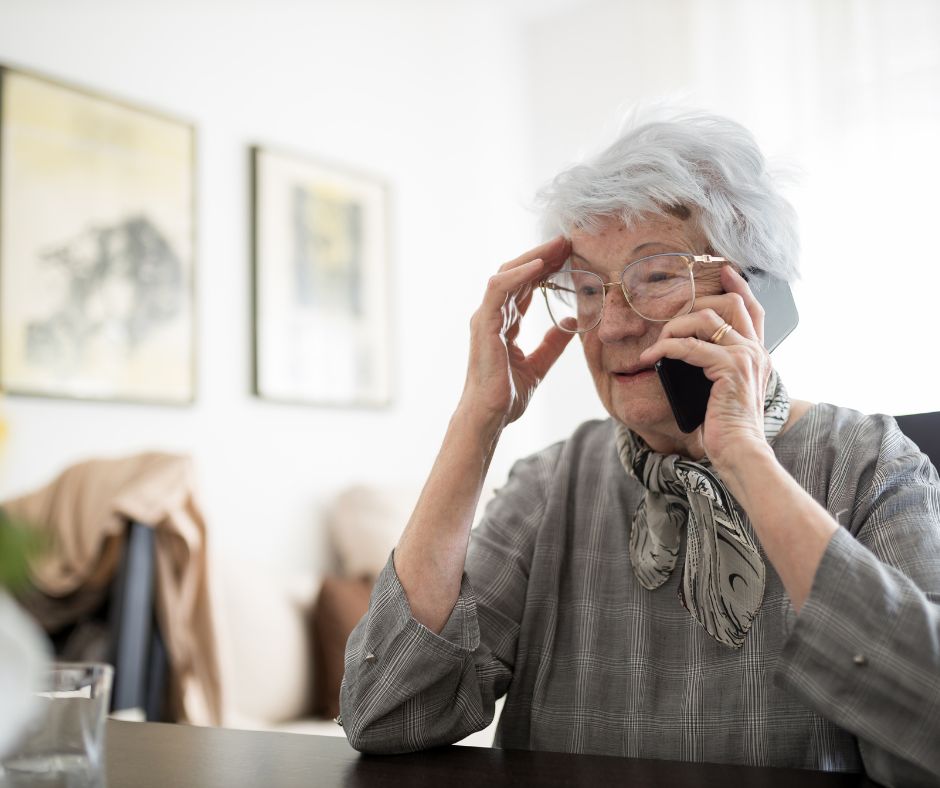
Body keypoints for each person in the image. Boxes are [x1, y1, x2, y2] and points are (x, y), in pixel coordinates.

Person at [338, 111, 940, 785]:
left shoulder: (868, 463)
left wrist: (742, 454)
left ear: (757, 292)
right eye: (591, 288)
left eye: (655, 277)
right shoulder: (552, 484)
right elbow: (386, 712)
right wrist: (476, 423)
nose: (614, 325)